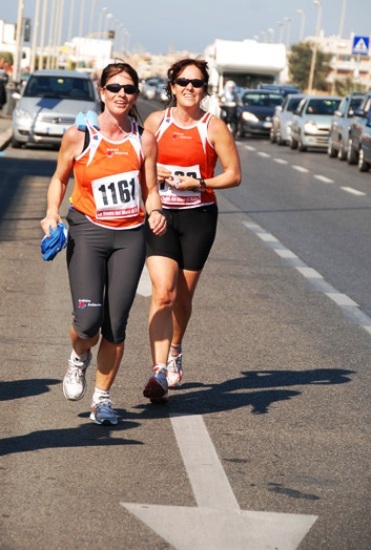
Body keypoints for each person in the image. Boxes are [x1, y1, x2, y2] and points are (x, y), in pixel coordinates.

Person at [40, 61, 166, 425]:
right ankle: (78, 358)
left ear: (136, 95)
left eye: (128, 89)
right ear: (102, 92)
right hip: (89, 231)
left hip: (129, 236)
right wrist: (52, 212)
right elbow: (59, 178)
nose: (121, 95)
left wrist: (155, 211)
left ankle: (102, 399)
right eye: (114, 88)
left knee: (115, 324)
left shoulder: (144, 140)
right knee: (88, 322)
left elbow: (151, 190)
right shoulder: (80, 135)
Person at [142, 58, 241, 403]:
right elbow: (139, 163)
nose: (189, 87)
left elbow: (233, 174)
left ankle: (176, 347)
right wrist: (159, 173)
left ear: (204, 90)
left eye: (196, 83)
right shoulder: (157, 121)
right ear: (171, 87)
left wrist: (198, 181)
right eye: (183, 81)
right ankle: (158, 370)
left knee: (182, 297)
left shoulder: (214, 127)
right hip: (161, 216)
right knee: (163, 292)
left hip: (199, 217)